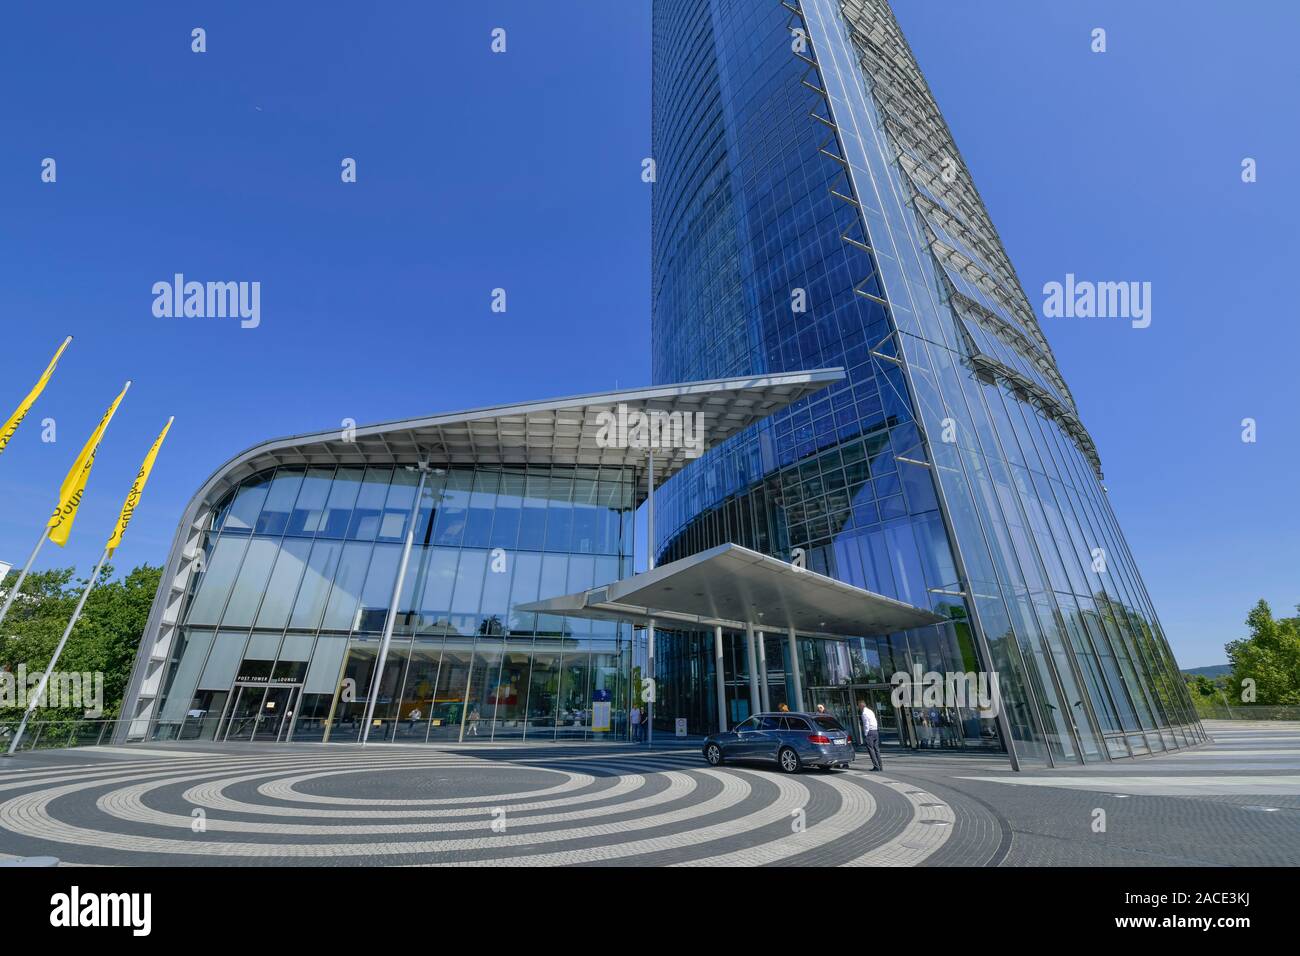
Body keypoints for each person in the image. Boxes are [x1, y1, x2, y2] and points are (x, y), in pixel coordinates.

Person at [859, 699, 882, 771]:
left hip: (870, 732)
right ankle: (880, 766)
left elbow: (866, 724)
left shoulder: (864, 713)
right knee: (876, 749)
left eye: (859, 706)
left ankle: (876, 766)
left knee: (871, 750)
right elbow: (875, 720)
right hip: (875, 730)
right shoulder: (870, 711)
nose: (859, 708)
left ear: (861, 706)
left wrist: (866, 734)